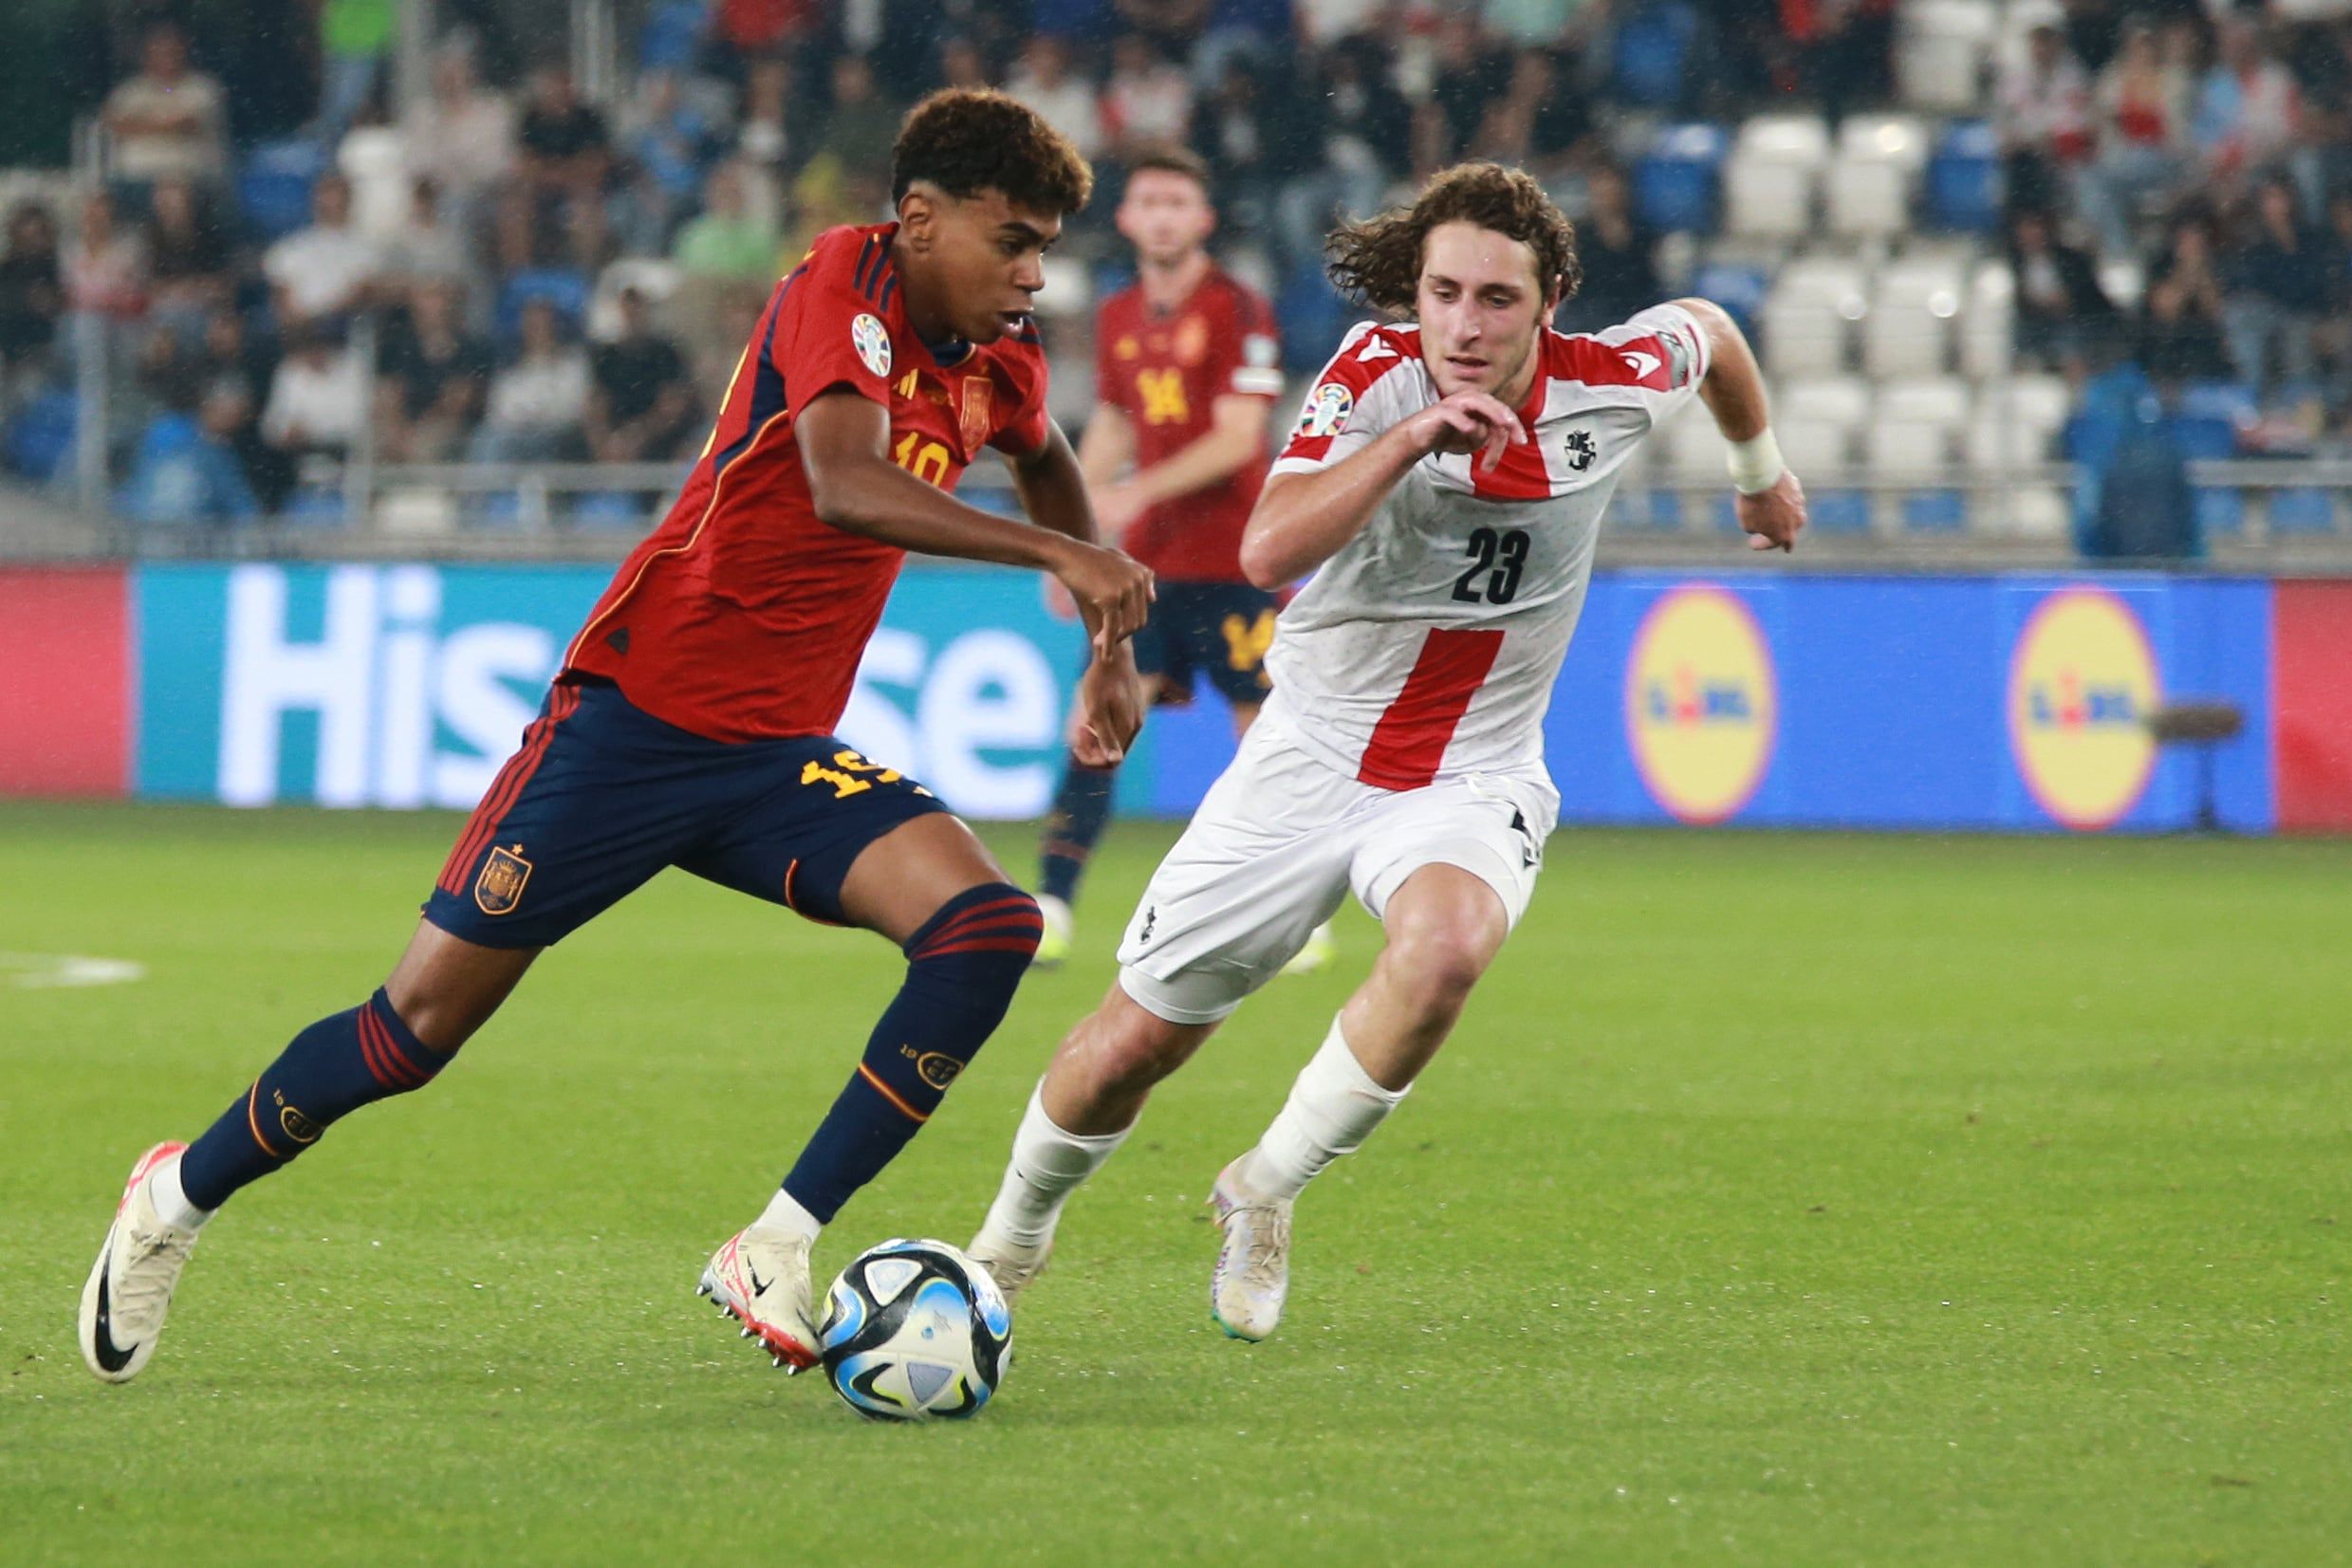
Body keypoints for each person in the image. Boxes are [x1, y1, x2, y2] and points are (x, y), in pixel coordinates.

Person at [80, 88, 1153, 1386]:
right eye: (1012, 240)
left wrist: (1105, 646)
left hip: (773, 760)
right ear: (919, 221)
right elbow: (841, 480)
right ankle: (175, 1197)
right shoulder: (841, 282)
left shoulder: (1001, 361)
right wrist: (1059, 556)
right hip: (631, 723)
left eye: (1045, 247)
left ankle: (775, 1239)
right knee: (411, 1032)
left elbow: (1048, 469)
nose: (1034, 275)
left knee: (986, 925)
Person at [967, 160, 1806, 1342]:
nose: (1463, 325)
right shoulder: (1373, 374)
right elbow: (1265, 549)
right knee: (1130, 1047)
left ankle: (1265, 1189)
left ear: (1550, 298)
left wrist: (1758, 475)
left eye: (1495, 300)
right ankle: (1008, 1237)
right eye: (1442, 293)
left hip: (1475, 767)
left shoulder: (1615, 380)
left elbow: (1712, 334)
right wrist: (1412, 436)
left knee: (1450, 945)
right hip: (1310, 753)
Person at [1028, 146, 1311, 968]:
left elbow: (1237, 438)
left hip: (1235, 559)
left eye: (1175, 202)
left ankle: (1293, 913)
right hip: (1145, 567)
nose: (1159, 215)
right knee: (1096, 722)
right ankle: (1051, 903)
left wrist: (1132, 493)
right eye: (1147, 200)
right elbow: (1111, 428)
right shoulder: (1117, 314)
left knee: (1263, 740)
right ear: (1125, 218)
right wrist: (1071, 542)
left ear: (1202, 219)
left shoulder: (1239, 309)